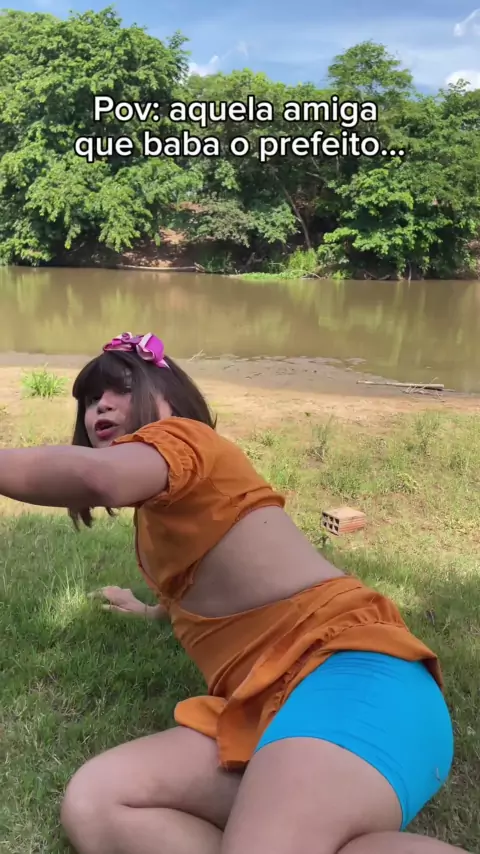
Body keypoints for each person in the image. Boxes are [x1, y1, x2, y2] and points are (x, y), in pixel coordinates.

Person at [0, 331, 467, 854]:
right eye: (90, 399)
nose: (100, 406)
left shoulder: (186, 441)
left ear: (169, 397)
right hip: (260, 709)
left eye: (121, 388)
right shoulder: (163, 511)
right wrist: (151, 610)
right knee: (96, 803)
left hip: (352, 677)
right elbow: (211, 588)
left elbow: (99, 479)